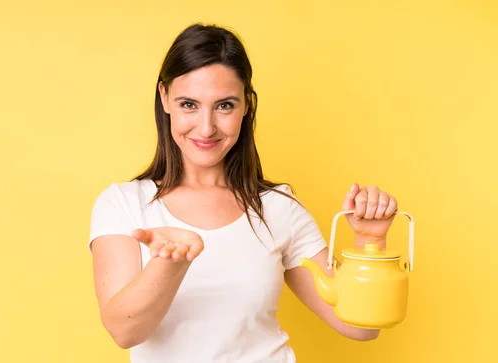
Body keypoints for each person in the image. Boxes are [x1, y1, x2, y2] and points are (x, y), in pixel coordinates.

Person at [88, 23, 399, 363]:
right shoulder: (123, 204)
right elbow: (124, 331)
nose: (206, 127)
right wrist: (171, 262)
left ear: (247, 105)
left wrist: (370, 243)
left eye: (224, 106)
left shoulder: (280, 208)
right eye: (189, 104)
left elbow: (359, 327)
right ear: (164, 97)